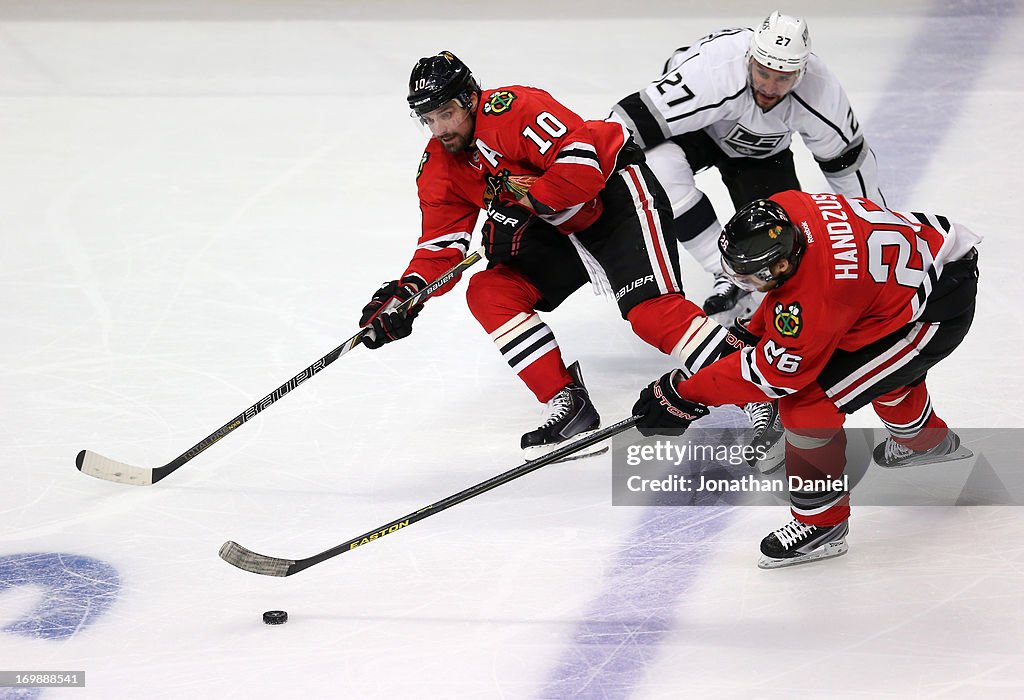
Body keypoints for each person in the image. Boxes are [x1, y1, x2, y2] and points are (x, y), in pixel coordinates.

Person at [359, 50, 756, 460]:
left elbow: (583, 164)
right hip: (558, 226)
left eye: (446, 113)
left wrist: (523, 204)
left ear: (471, 97)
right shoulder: (440, 165)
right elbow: (440, 245)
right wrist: (407, 294)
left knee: (650, 313)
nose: (439, 128)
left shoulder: (512, 109)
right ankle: (570, 403)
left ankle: (754, 385)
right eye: (428, 118)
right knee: (489, 290)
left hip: (614, 195)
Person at [631, 190, 980, 568]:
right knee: (884, 377)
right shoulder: (787, 210)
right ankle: (925, 443)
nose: (744, 284)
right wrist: (752, 330)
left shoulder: (822, 294)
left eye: (749, 278)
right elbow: (789, 296)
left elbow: (773, 377)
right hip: (913, 272)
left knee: (811, 403)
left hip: (933, 313)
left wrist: (685, 396)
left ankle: (823, 523)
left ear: (779, 265)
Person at [609, 11, 884, 316]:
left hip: (761, 151)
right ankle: (727, 273)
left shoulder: (822, 92)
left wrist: (878, 238)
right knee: (654, 169)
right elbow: (623, 125)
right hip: (697, 129)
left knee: (782, 240)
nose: (769, 86)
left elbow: (851, 170)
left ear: (802, 72)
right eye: (763, 71)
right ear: (749, 58)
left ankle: (755, 289)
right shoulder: (713, 69)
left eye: (783, 77)